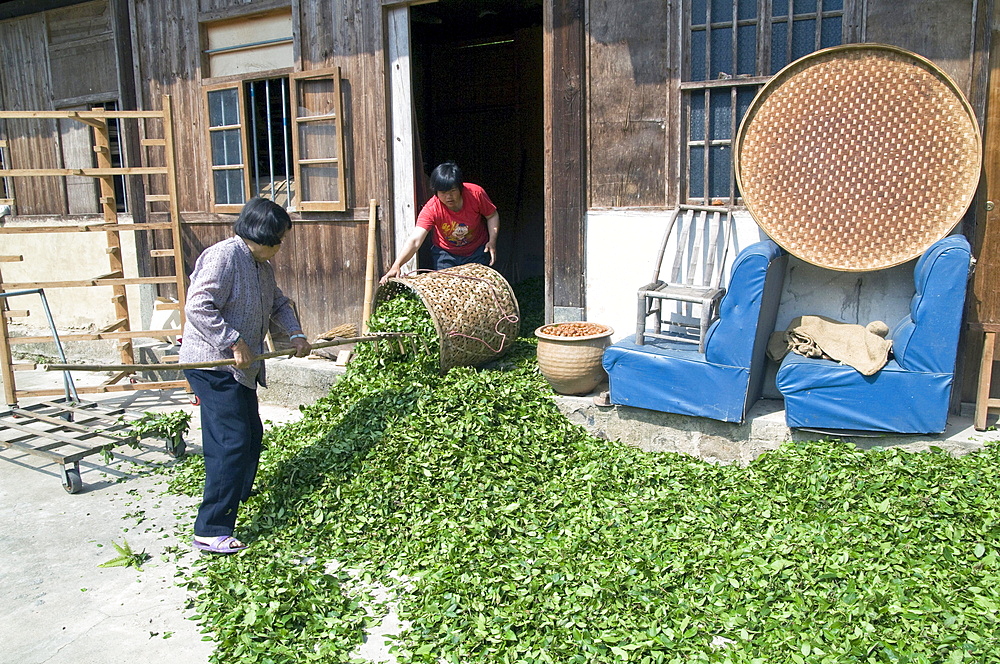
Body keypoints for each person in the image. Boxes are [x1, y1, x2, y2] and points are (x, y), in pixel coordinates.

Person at [179, 197, 311, 554]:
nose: (281, 247)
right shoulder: (224, 257)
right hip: (212, 364)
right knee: (231, 442)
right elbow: (198, 305)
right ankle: (211, 529)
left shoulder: (260, 266)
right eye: (279, 240)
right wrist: (233, 341)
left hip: (241, 367)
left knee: (250, 435)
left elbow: (278, 304)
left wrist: (295, 335)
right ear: (262, 236)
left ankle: (235, 490)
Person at [380, 161, 499, 284]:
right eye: (443, 193)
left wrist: (492, 241)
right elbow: (415, 240)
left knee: (478, 288)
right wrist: (397, 265)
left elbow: (492, 215)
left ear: (460, 188)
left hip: (476, 250)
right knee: (445, 289)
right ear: (436, 192)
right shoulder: (431, 208)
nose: (448, 197)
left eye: (452, 191)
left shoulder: (476, 194)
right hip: (445, 253)